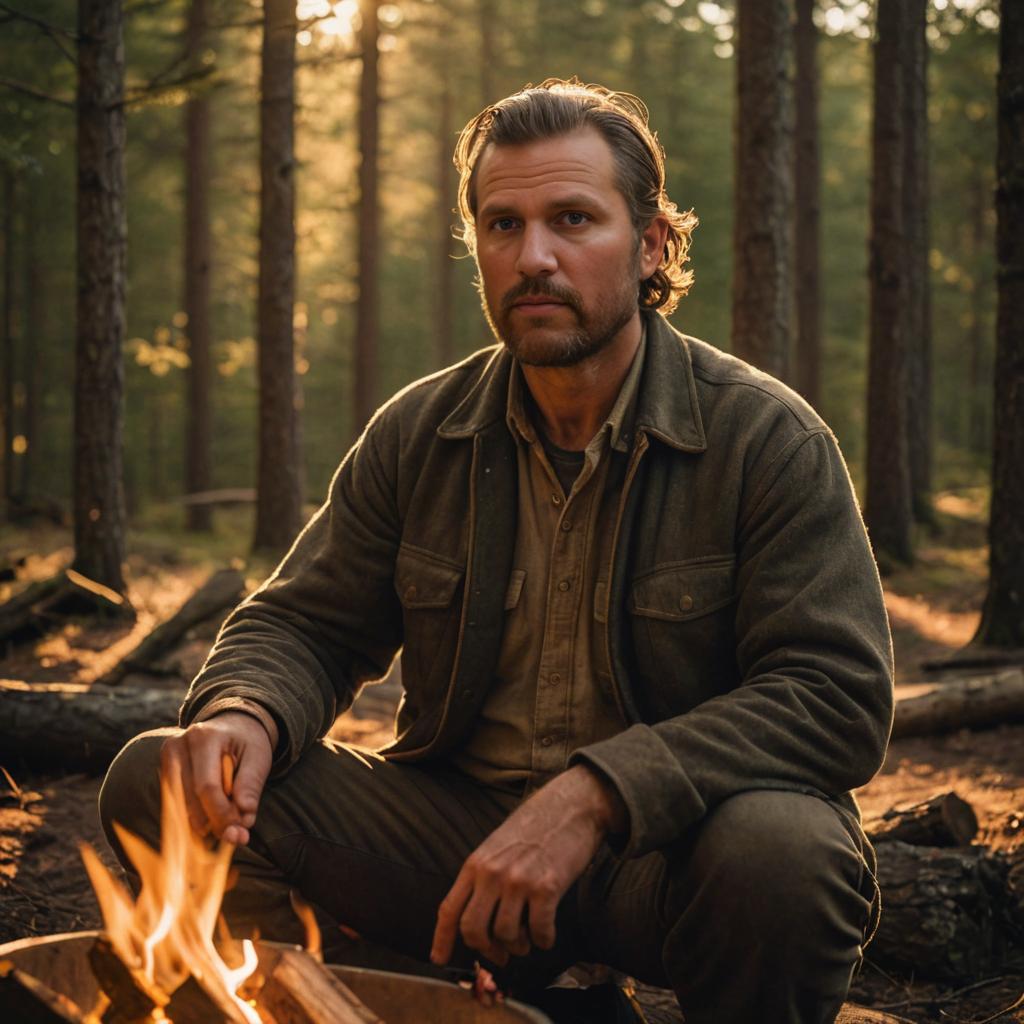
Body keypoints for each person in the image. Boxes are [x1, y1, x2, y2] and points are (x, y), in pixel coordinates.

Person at [100, 79, 893, 1024]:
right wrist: (244, 714)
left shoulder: (766, 440)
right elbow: (304, 623)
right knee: (170, 778)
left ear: (650, 246)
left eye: (572, 219)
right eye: (502, 225)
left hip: (665, 861)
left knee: (784, 853)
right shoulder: (421, 431)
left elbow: (835, 695)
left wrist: (597, 796)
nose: (534, 257)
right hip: (451, 851)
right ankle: (404, 1000)